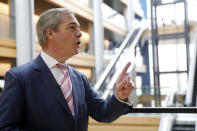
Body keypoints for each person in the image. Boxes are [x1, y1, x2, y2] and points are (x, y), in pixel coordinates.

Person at [0, 8, 134, 131]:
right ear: (51, 33)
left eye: (79, 29)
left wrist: (119, 97)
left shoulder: (80, 78)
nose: (80, 34)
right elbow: (6, 127)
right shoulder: (19, 78)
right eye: (72, 28)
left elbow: (103, 113)